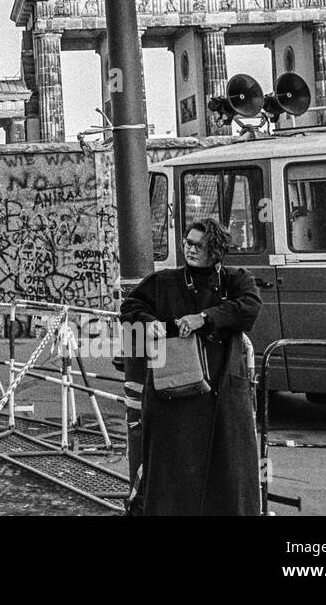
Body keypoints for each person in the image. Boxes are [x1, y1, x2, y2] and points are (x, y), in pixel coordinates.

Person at [119, 217, 262, 516]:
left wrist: (205, 317)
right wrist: (149, 323)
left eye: (199, 245)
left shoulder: (237, 279)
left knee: (228, 472)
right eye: (187, 243)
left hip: (223, 394)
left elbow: (249, 307)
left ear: (216, 249)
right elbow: (131, 308)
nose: (190, 249)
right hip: (174, 395)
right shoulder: (164, 281)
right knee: (173, 475)